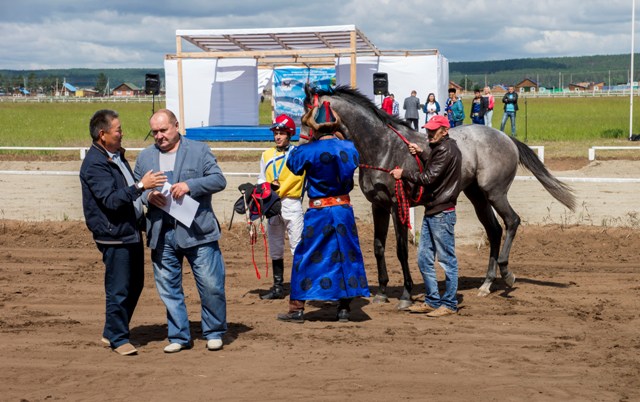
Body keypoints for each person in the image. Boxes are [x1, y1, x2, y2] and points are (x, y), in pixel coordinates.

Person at [134, 109, 228, 353]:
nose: (159, 136)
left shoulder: (199, 150)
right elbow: (136, 188)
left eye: (164, 130)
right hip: (161, 232)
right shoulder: (145, 157)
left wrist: (190, 185)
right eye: (154, 132)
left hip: (198, 231)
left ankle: (214, 331)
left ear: (176, 126)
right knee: (168, 288)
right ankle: (179, 335)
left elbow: (219, 180)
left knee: (211, 285)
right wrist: (147, 196)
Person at [80, 109, 167, 356]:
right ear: (102, 134)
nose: (122, 133)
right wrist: (141, 186)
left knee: (135, 284)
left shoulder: (115, 156)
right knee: (119, 287)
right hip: (113, 234)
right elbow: (110, 200)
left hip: (128, 230)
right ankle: (118, 338)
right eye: (118, 130)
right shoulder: (95, 164)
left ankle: (112, 330)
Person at [277, 102, 369, 323]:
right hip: (344, 210)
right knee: (345, 255)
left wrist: (309, 140)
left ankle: (297, 308)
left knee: (304, 255)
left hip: (319, 212)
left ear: (315, 127)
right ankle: (344, 309)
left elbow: (293, 165)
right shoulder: (350, 147)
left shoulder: (306, 150)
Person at [389, 115, 462, 317]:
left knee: (447, 260)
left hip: (441, 212)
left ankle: (449, 303)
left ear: (444, 131)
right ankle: (431, 300)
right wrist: (421, 154)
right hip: (434, 210)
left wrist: (403, 173)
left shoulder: (446, 150)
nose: (429, 133)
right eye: (428, 129)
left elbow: (428, 178)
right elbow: (433, 167)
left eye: (433, 130)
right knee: (423, 258)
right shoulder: (442, 148)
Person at [257, 114, 305, 300]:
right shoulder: (266, 155)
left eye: (282, 133)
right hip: (272, 204)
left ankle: (299, 287)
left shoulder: (298, 153)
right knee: (276, 246)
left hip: (292, 203)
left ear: (290, 134)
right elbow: (261, 178)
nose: (278, 136)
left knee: (297, 246)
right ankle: (278, 287)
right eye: (276, 133)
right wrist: (263, 188)